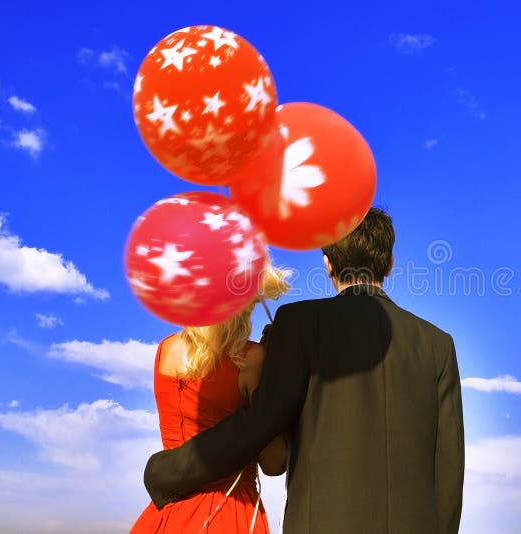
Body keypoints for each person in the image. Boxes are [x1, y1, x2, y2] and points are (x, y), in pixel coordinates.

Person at [143, 208, 465, 534]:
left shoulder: (298, 324)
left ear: (328, 263)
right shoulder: (438, 344)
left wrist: (168, 470)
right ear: (390, 265)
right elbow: (449, 467)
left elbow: (259, 426)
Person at [131, 264, 290, 533]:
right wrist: (275, 372)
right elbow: (274, 463)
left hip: (167, 511)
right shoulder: (252, 360)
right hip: (230, 510)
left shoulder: (165, 350)